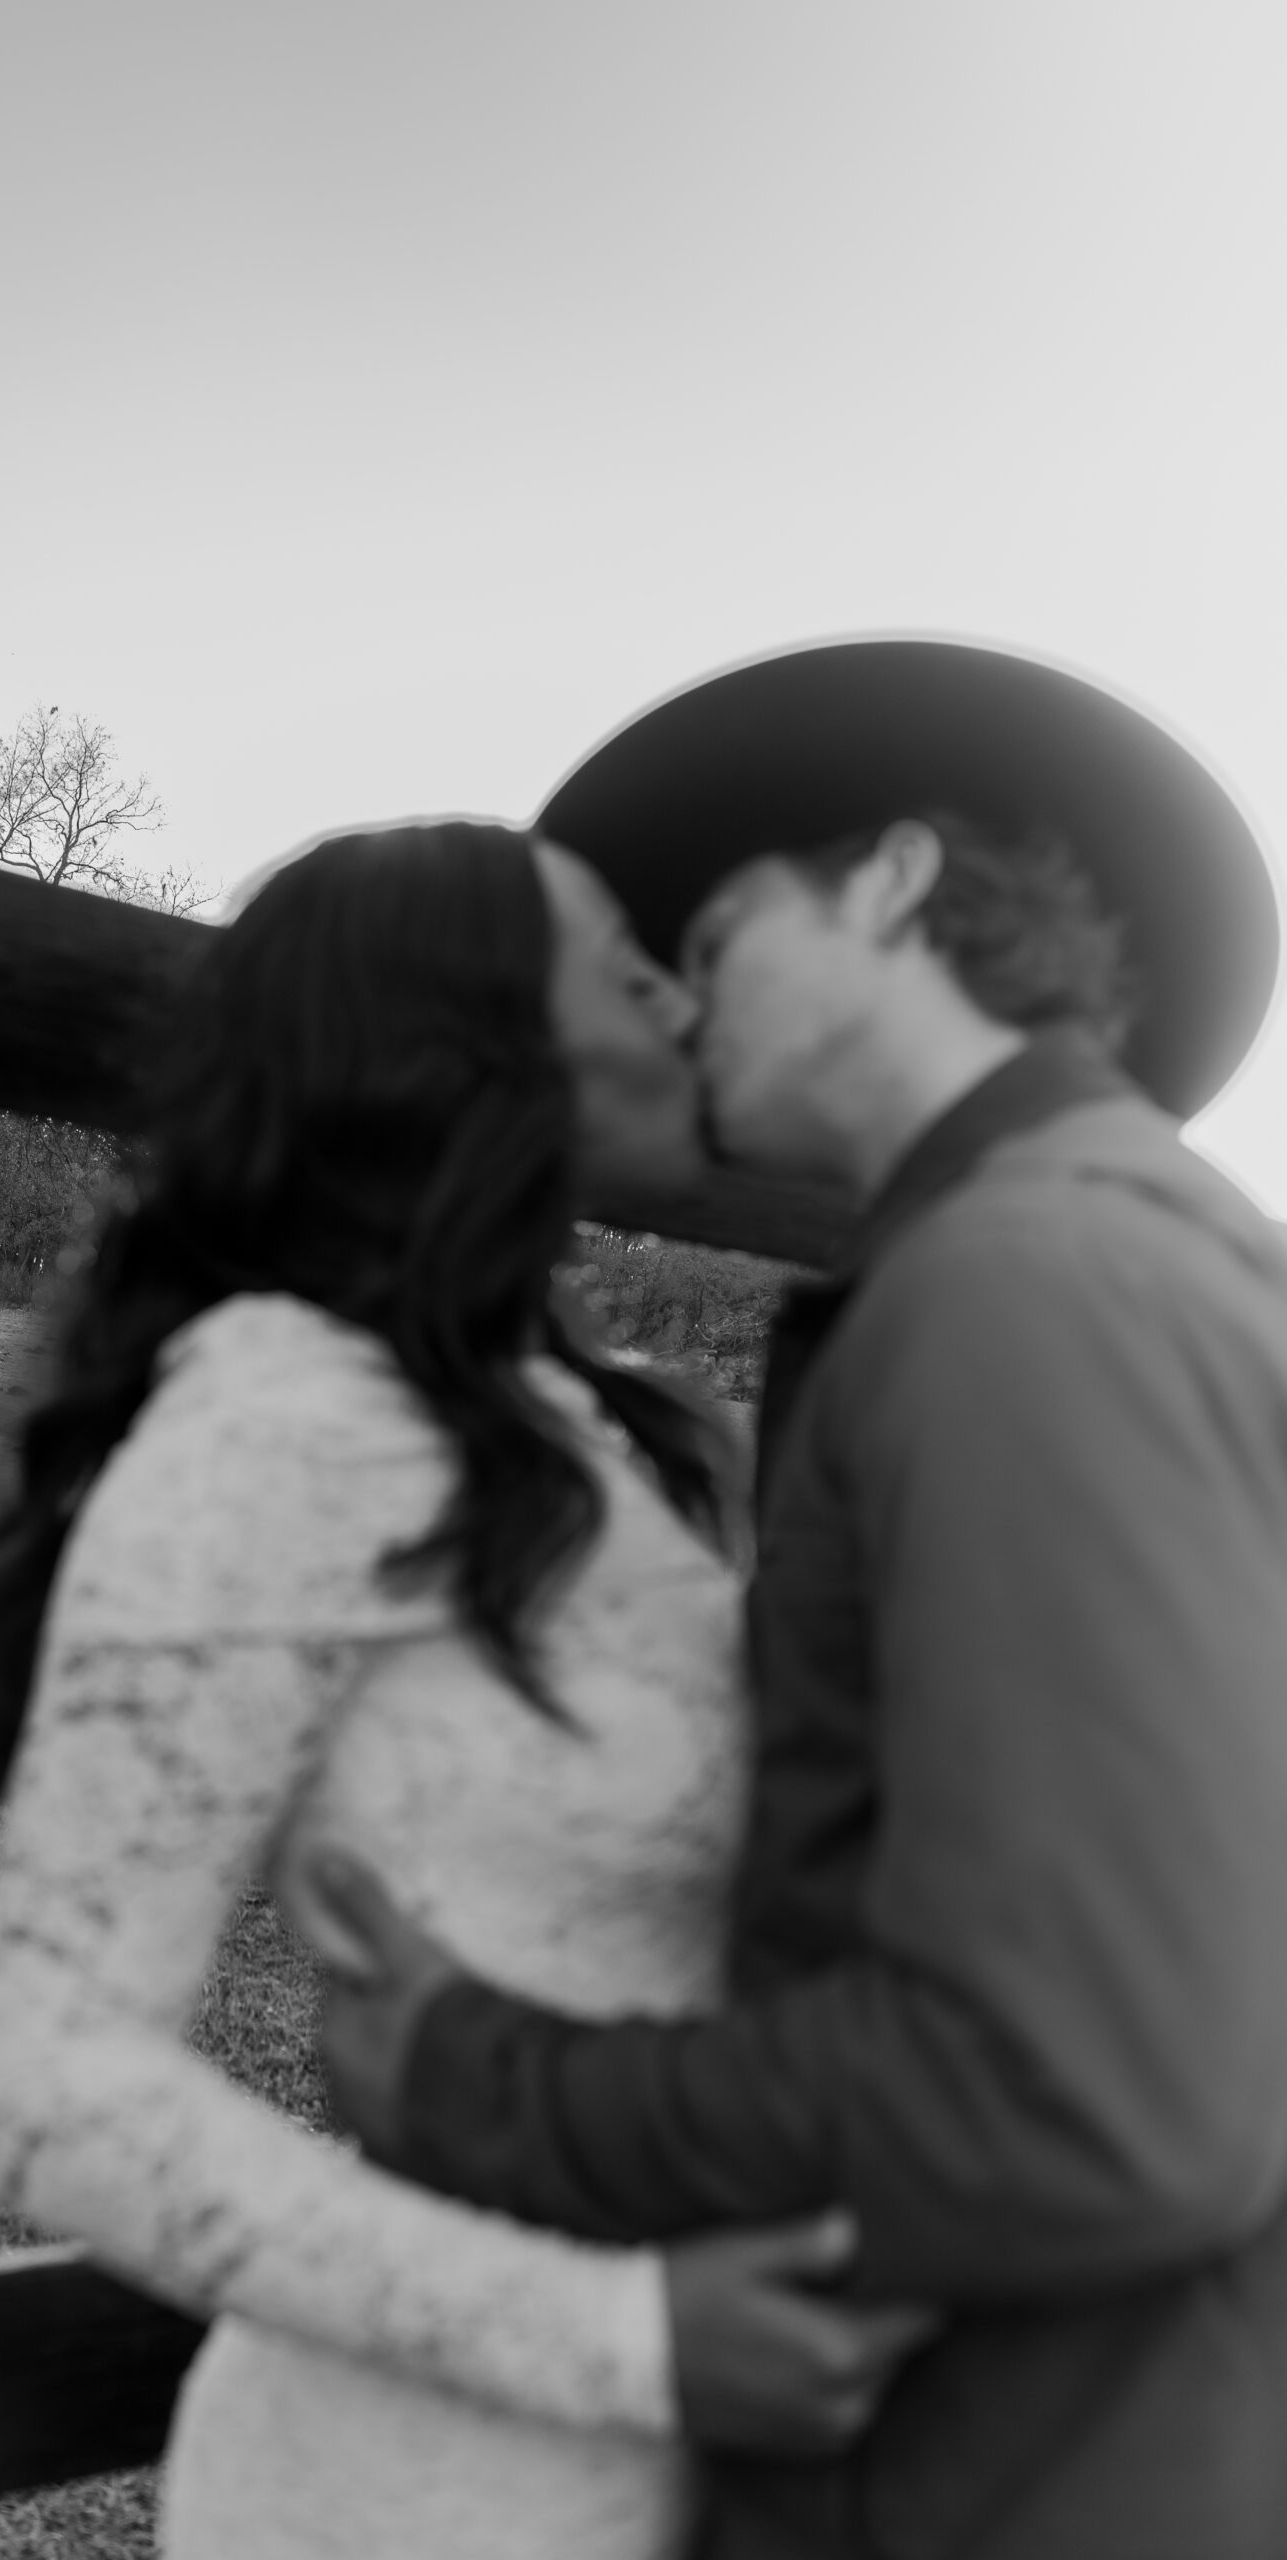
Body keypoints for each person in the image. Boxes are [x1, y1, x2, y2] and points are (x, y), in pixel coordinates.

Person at [309, 641, 1287, 2560]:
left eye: (722, 928)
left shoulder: (1028, 1292)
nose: (673, 997)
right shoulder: (1164, 1255)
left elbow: (1076, 2093)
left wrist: (476, 2079)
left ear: (897, 884)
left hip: (1011, 2477)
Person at [0, 818, 932, 2560]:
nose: (677, 989)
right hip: (434, 2484)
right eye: (616, 952)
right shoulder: (283, 1416)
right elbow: (49, 2083)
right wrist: (630, 2340)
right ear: (460, 1032)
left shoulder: (596, 1422)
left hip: (726, 2468)